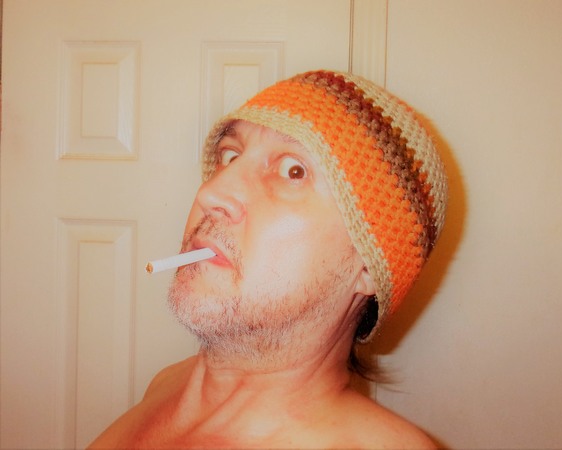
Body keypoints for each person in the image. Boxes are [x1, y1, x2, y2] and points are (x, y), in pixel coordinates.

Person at [88, 70, 448, 449]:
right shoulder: (166, 384)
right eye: (230, 156)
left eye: (293, 171)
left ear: (371, 268)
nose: (211, 192)